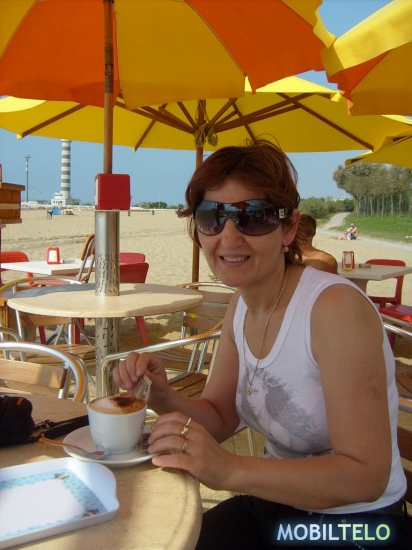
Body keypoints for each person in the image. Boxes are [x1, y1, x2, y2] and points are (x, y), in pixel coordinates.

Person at [114, 141, 410, 549]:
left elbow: (366, 477)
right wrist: (162, 396)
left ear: (289, 228)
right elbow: (220, 417)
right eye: (211, 218)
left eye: (253, 217)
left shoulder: (334, 310)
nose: (229, 237)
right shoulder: (242, 304)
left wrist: (230, 470)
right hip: (275, 505)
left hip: (356, 525)